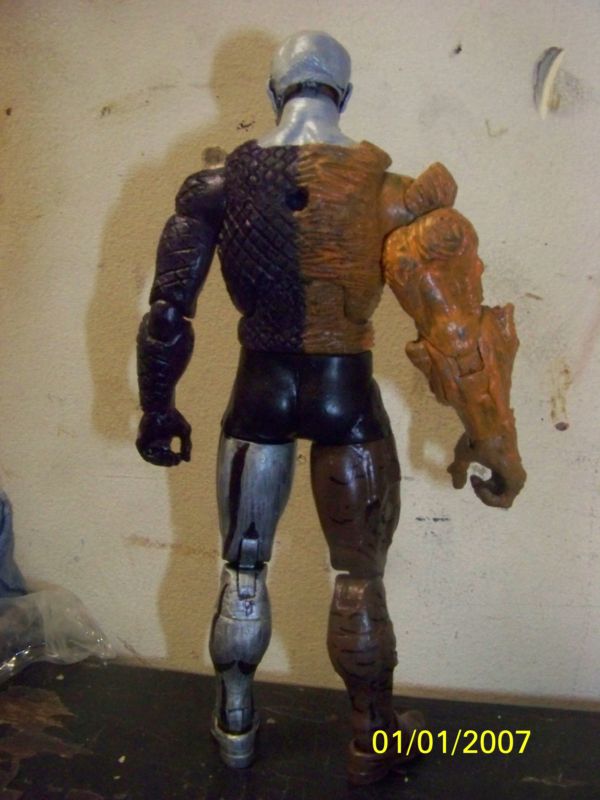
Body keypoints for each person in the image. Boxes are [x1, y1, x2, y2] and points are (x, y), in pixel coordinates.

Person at [135, 30, 526, 785]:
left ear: (274, 92)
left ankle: (236, 727)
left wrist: (159, 406)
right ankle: (370, 740)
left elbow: (167, 312)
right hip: (345, 393)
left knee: (242, 567)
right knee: (358, 576)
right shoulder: (390, 195)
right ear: (344, 94)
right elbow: (454, 334)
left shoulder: (217, 188)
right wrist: (492, 442)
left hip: (259, 389)